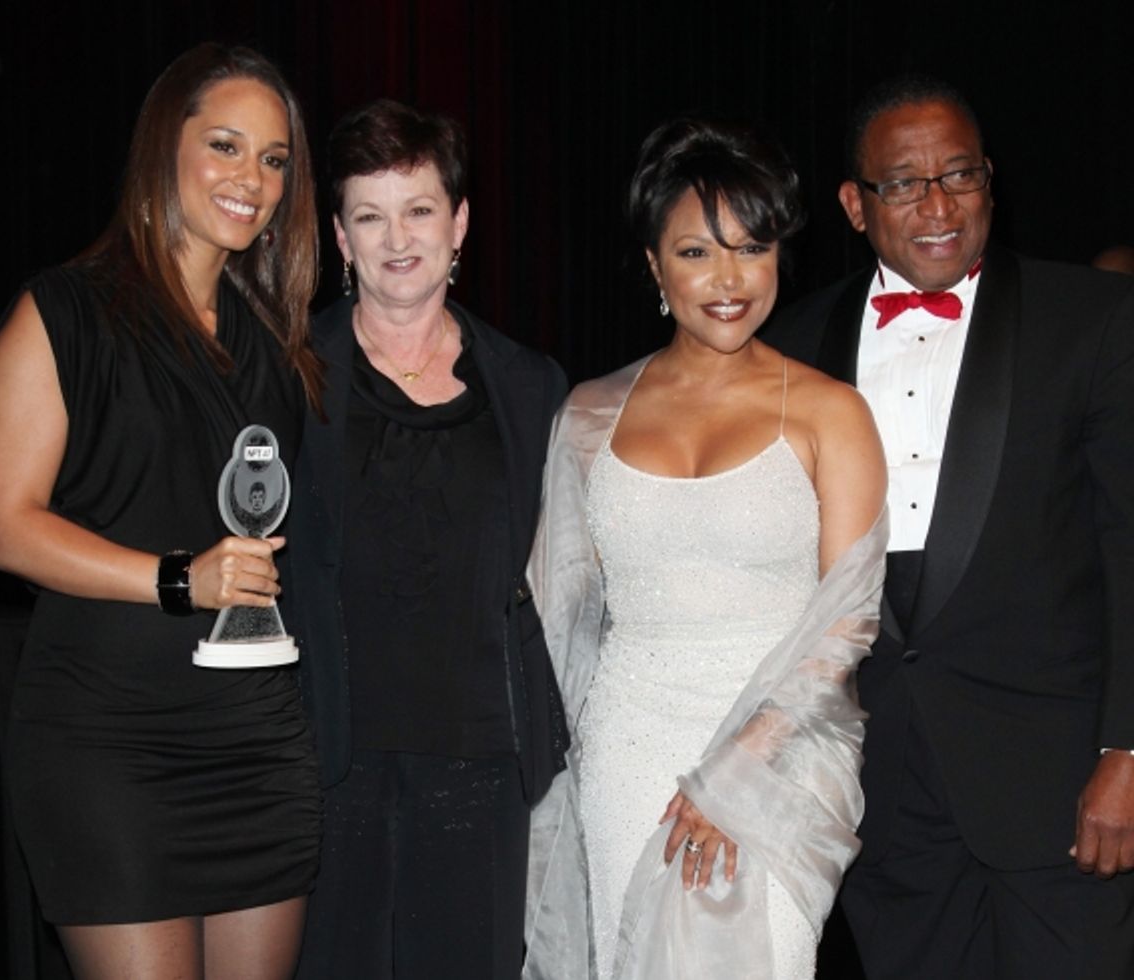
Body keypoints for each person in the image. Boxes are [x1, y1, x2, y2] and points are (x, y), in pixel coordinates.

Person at [0, 43, 323, 980]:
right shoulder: (63, 312)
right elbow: (0, 525)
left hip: (255, 742)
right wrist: (177, 580)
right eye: (225, 145)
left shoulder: (274, 347)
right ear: (166, 144)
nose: (252, 179)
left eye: (274, 159)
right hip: (106, 743)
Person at [765, 74, 1134, 978]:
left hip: (1062, 791)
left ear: (990, 182)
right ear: (855, 204)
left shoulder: (1093, 319)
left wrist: (1128, 750)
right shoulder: (792, 347)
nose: (938, 206)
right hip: (881, 798)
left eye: (960, 175)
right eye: (904, 183)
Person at [524, 117, 888, 980]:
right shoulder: (587, 415)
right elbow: (558, 613)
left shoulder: (831, 411)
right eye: (696, 253)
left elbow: (846, 623)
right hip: (627, 751)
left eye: (752, 249)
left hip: (783, 754)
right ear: (655, 267)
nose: (729, 280)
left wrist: (734, 772)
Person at [286, 99, 569, 980]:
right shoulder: (288, 373)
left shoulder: (531, 386)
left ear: (460, 223)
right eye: (370, 216)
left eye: (418, 209)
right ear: (340, 237)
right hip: (328, 762)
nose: (397, 238)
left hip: (483, 762)